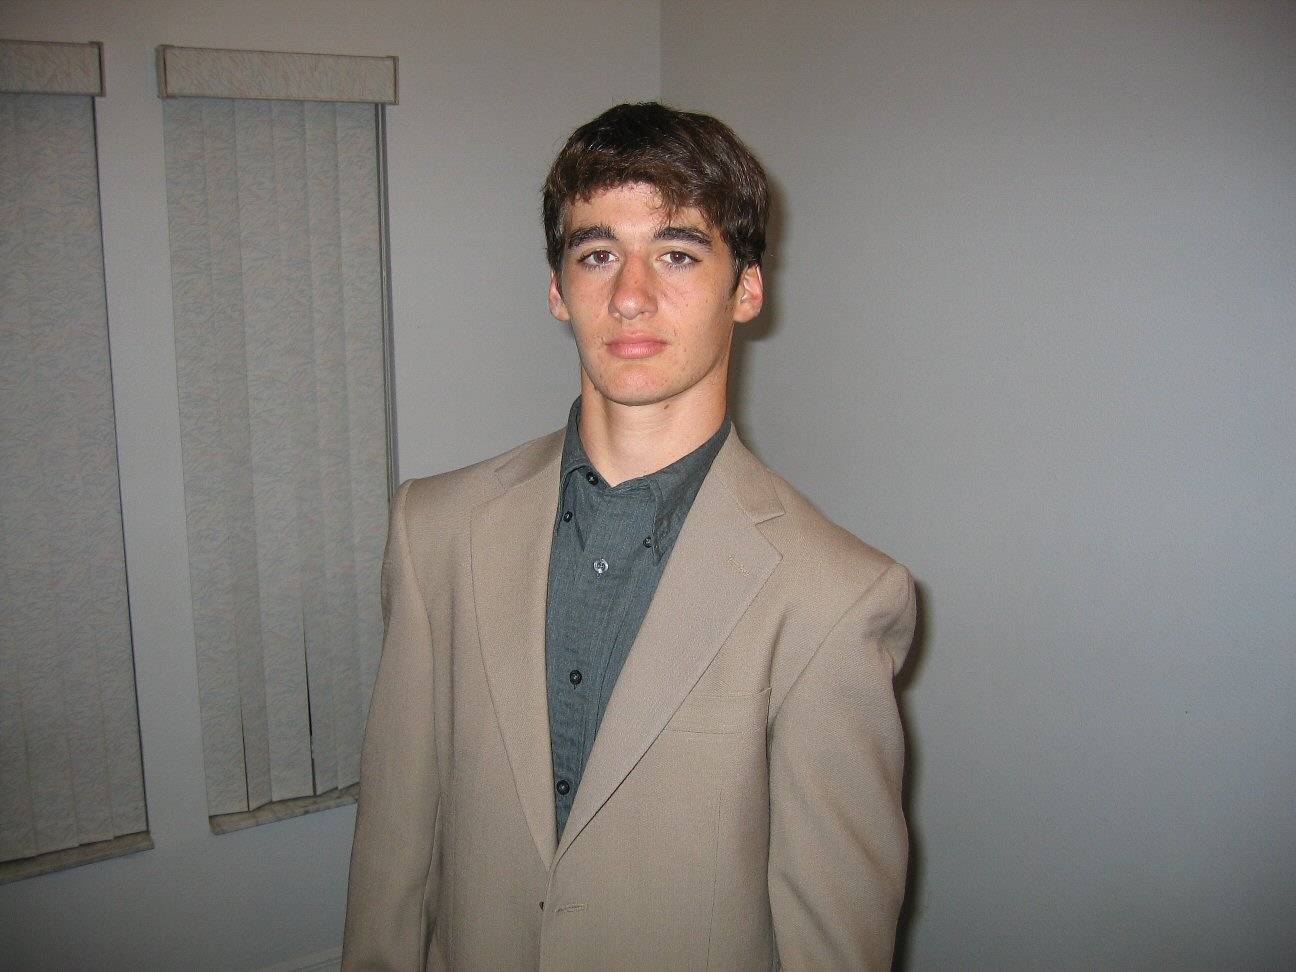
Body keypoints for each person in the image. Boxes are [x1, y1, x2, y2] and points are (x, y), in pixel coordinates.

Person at [342, 102, 916, 972]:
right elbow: (393, 866)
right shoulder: (433, 532)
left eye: (678, 253)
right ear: (557, 289)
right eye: (597, 253)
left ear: (747, 288)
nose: (631, 295)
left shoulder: (836, 598)